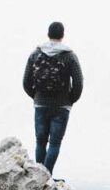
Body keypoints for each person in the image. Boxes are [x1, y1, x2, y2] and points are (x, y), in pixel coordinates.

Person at [22, 21, 84, 176]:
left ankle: (38, 176)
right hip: (62, 106)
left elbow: (26, 81)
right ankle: (46, 178)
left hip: (40, 105)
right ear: (62, 35)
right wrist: (70, 100)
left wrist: (36, 97)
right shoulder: (69, 56)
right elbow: (78, 82)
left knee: (40, 141)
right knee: (54, 143)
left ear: (48, 34)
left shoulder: (35, 54)